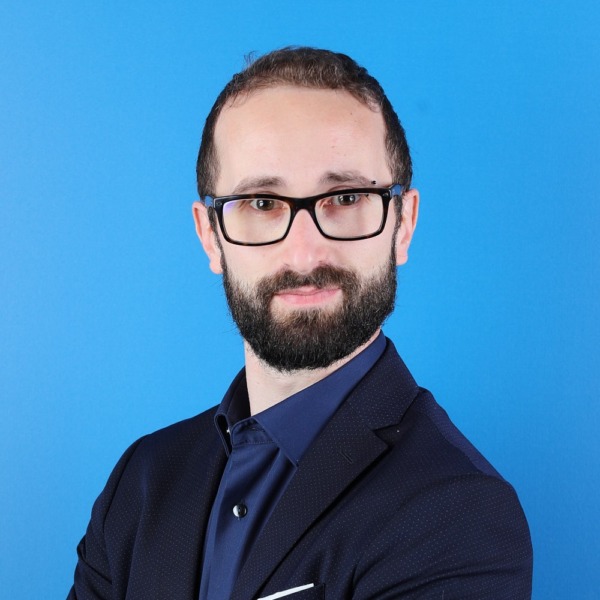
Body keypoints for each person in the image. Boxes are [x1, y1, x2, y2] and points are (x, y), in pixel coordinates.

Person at [69, 48, 533, 599]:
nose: (304, 251)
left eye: (345, 197)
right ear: (210, 236)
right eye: (262, 202)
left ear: (403, 225)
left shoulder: (459, 513)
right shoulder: (141, 482)